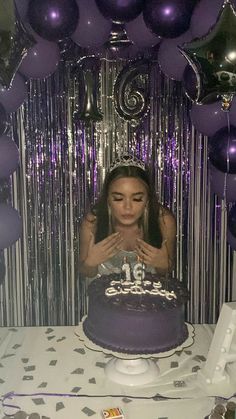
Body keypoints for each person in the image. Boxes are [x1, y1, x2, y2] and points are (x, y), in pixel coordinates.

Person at [79, 154, 177, 280]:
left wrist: (163, 266)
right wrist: (90, 263)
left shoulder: (163, 221)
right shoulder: (93, 221)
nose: (127, 207)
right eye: (118, 199)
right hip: (104, 298)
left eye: (137, 199)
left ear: (147, 199)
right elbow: (85, 272)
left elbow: (165, 273)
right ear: (108, 198)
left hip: (148, 299)